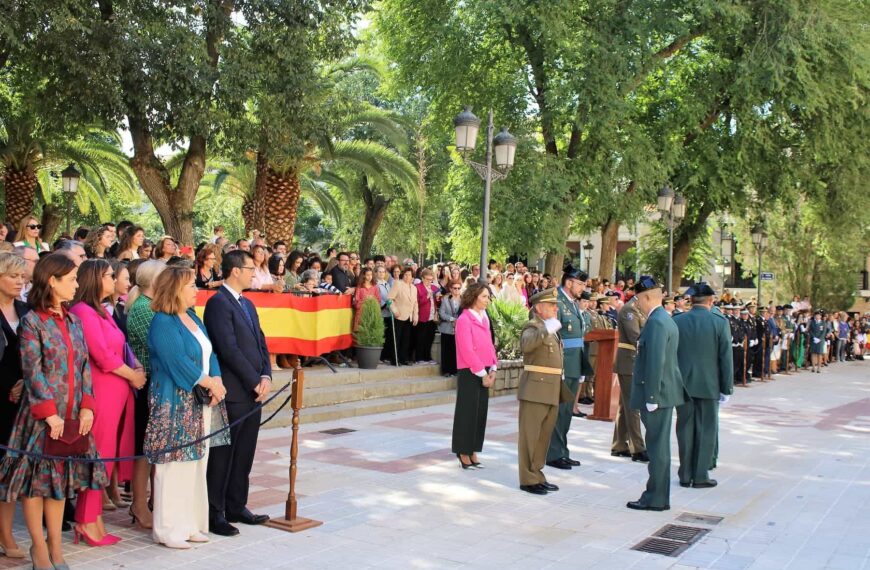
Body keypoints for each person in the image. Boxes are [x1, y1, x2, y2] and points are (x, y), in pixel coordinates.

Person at [0, 254, 106, 569]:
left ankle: (56, 549)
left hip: (72, 414)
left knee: (59, 484)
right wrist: (49, 413)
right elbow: (33, 371)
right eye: (71, 279)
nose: (77, 284)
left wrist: (88, 406)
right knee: (36, 484)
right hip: (40, 417)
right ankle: (39, 550)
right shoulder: (33, 321)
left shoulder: (74, 320)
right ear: (53, 281)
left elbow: (85, 366)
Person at [146, 266, 229, 549]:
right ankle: (168, 528)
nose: (196, 289)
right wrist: (209, 383)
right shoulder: (162, 322)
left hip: (200, 402)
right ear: (175, 289)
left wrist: (216, 378)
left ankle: (191, 523)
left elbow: (210, 352)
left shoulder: (194, 317)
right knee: (173, 466)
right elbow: (176, 361)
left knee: (196, 462)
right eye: (191, 285)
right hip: (173, 403)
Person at [69, 260, 142, 546]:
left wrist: (135, 370)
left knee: (106, 457)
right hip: (101, 393)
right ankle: (86, 520)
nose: (115, 279)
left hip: (116, 392)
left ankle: (93, 517)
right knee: (97, 457)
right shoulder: (83, 311)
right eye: (110, 275)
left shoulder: (101, 310)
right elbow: (100, 354)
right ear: (95, 279)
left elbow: (119, 346)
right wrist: (132, 376)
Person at [203, 250, 272, 537]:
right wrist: (253, 380)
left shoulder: (248, 303)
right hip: (233, 390)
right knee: (224, 455)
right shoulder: (219, 303)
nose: (253, 273)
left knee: (244, 452)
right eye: (249, 268)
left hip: (253, 391)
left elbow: (260, 341)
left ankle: (236, 505)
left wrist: (266, 374)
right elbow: (228, 349)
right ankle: (214, 512)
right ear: (234, 271)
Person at [626, 276, 686, 512]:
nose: (637, 303)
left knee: (657, 448)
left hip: (657, 396)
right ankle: (657, 495)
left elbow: (656, 362)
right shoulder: (664, 319)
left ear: (648, 297)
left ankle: (656, 497)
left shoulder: (657, 322)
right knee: (658, 446)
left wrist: (650, 397)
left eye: (638, 298)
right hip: (662, 394)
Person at [672, 283, 733, 489]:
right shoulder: (719, 322)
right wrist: (727, 387)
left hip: (683, 384)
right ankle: (700, 475)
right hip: (709, 384)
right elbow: (725, 357)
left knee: (684, 427)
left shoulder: (678, 320)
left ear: (691, 300)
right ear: (711, 300)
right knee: (706, 429)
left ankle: (685, 473)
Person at [517, 289, 573, 495]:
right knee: (530, 436)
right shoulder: (533, 326)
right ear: (539, 308)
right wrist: (546, 329)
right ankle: (527, 478)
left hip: (551, 388)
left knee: (543, 437)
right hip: (535, 389)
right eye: (551, 305)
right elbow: (527, 345)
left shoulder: (550, 328)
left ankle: (537, 474)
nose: (555, 308)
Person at [124, 260, 165, 530]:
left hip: (158, 383)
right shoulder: (141, 309)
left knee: (153, 449)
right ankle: (139, 503)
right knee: (144, 449)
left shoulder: (154, 306)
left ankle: (150, 500)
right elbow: (158, 344)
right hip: (146, 383)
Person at [0, 253, 28, 559]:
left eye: (22, 276)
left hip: (22, 399)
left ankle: (6, 533)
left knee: (9, 470)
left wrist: (25, 381)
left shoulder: (25, 309)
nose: (20, 281)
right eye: (13, 276)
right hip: (1, 397)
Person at [451, 282, 497, 469]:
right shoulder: (464, 319)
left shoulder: (484, 317)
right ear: (474, 297)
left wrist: (493, 366)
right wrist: (482, 373)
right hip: (471, 371)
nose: (488, 300)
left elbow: (490, 343)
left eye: (488, 296)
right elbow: (467, 349)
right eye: (484, 296)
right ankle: (463, 451)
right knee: (466, 413)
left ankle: (473, 449)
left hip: (485, 369)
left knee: (479, 414)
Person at [546, 267, 588, 471]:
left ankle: (562, 451)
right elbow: (552, 336)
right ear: (569, 282)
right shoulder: (557, 302)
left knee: (567, 413)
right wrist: (558, 365)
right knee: (559, 411)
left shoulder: (571, 303)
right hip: (562, 364)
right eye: (580, 284)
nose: (583, 288)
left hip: (574, 363)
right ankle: (553, 453)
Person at [611, 291, 649, 463]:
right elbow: (636, 336)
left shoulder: (639, 310)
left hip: (633, 362)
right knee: (633, 406)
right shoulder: (629, 310)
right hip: (629, 362)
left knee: (625, 405)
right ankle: (638, 448)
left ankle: (619, 444)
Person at [387, 267, 418, 365]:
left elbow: (415, 303)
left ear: (412, 277)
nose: (407, 276)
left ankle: (403, 358)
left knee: (406, 339)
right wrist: (394, 310)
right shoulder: (398, 284)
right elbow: (389, 299)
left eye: (409, 274)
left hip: (409, 316)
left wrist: (415, 315)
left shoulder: (414, 288)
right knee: (397, 338)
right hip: (399, 315)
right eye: (405, 274)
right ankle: (394, 359)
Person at [413, 268, 441, 364]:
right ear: (422, 278)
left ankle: (427, 357)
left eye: (431, 279)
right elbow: (416, 303)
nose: (429, 281)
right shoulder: (417, 287)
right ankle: (419, 358)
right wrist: (427, 297)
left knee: (429, 338)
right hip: (422, 316)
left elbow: (439, 301)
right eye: (427, 279)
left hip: (432, 317)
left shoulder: (433, 287)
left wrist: (438, 298)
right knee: (420, 338)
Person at [438, 280, 462, 376]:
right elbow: (441, 313)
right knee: (446, 350)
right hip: (447, 328)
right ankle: (446, 371)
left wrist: (459, 321)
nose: (456, 290)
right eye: (455, 288)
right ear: (451, 289)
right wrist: (452, 319)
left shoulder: (464, 300)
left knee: (456, 351)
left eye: (458, 288)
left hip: (459, 329)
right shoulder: (445, 299)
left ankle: (455, 370)